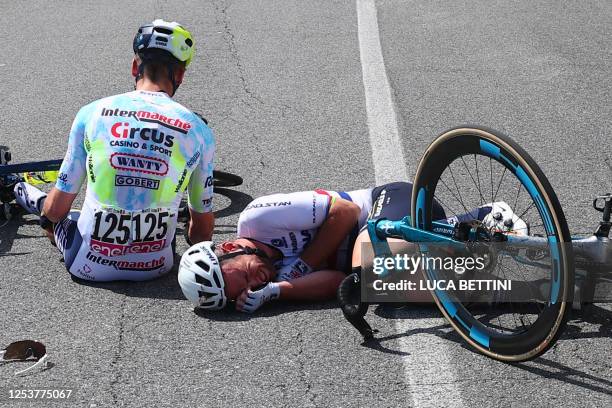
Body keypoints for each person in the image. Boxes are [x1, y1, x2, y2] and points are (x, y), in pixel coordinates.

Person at [13, 19, 215, 282]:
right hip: (156, 268)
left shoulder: (91, 112)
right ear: (179, 76)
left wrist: (48, 220)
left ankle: (19, 190)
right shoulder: (199, 130)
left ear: (135, 67)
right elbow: (201, 234)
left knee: (53, 212)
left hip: (86, 265)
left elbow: (57, 210)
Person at [178, 182, 528, 312]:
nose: (257, 281)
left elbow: (343, 210)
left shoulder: (258, 218)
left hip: (386, 203)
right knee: (380, 289)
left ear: (228, 248)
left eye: (247, 276)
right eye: (250, 289)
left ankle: (484, 215)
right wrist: (277, 292)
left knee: (368, 261)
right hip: (379, 252)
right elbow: (338, 284)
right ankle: (498, 286)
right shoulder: (271, 280)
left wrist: (302, 266)